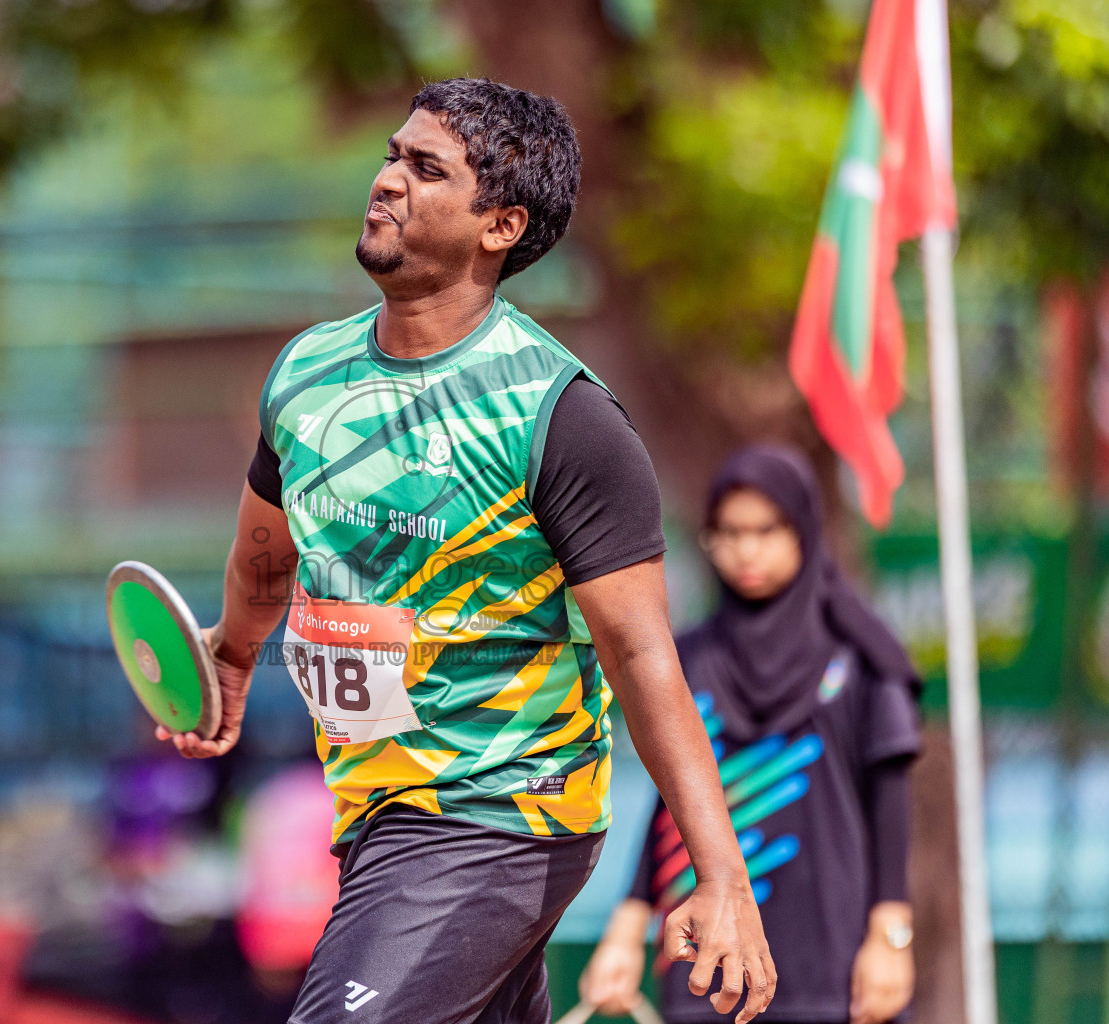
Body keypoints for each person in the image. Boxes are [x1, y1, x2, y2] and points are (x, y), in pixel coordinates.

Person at [158, 78, 776, 1024]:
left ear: (500, 225)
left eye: (426, 169)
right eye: (393, 155)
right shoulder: (306, 375)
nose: (388, 181)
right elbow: (267, 546)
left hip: (504, 812)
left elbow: (643, 654)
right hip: (377, 812)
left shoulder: (560, 416)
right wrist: (232, 655)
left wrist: (720, 875)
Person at [579, 445, 922, 1024]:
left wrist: (891, 936)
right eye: (728, 532)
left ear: (804, 530)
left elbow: (890, 803)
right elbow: (671, 802)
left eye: (766, 530)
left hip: (831, 968)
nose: (746, 550)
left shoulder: (861, 660)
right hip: (707, 963)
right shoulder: (686, 659)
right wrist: (629, 923)